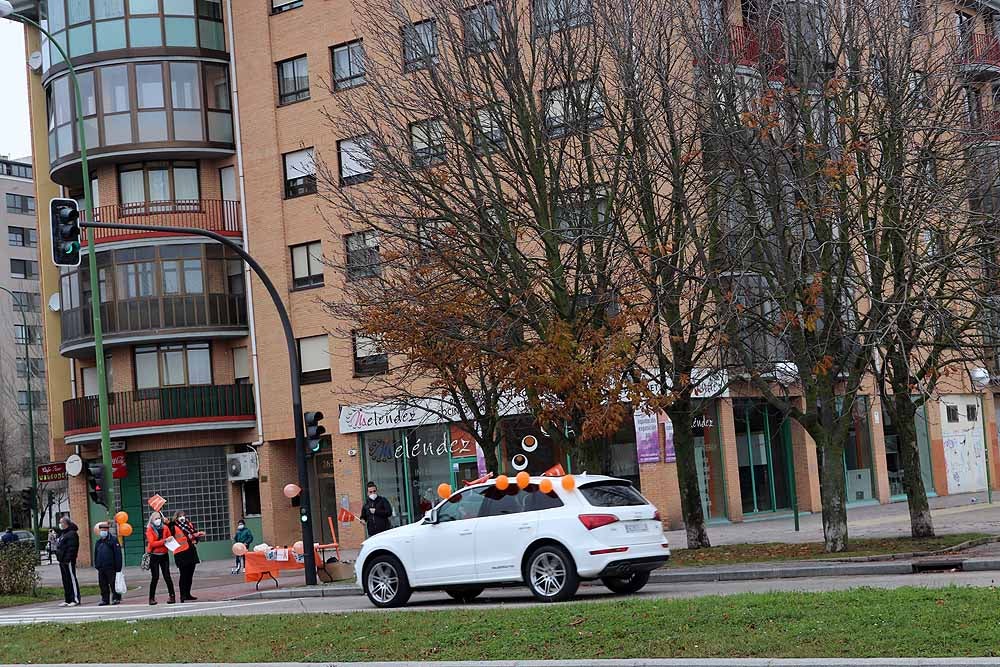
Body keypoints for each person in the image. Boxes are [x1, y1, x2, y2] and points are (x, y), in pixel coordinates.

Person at [171, 510, 205, 602]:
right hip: (180, 552)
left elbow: (193, 534)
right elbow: (175, 537)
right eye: (180, 516)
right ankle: (182, 595)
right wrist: (193, 536)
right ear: (176, 517)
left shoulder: (188, 524)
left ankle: (187, 593)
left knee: (190, 574)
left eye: (184, 516)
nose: (182, 517)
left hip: (190, 550)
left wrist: (197, 537)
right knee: (184, 574)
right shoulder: (173, 526)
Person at [145, 511, 176, 605]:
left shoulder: (165, 527)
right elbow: (152, 543)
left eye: (159, 518)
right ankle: (151, 598)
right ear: (152, 520)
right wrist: (165, 540)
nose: (158, 520)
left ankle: (172, 596)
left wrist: (168, 539)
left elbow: (170, 537)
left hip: (164, 554)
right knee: (155, 577)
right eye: (156, 518)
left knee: (167, 576)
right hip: (154, 555)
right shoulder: (150, 529)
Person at [93, 521, 123, 606]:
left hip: (111, 566)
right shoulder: (98, 542)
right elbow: (96, 554)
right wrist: (97, 564)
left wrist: (118, 567)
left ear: (107, 530)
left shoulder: (113, 540)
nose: (103, 532)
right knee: (103, 584)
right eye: (101, 530)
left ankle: (116, 598)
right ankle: (105, 599)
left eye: (104, 530)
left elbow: (118, 554)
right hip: (101, 567)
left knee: (113, 583)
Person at [54, 516, 80, 607]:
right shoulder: (62, 534)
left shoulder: (72, 534)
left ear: (66, 524)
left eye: (61, 523)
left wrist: (68, 559)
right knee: (65, 580)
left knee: (71, 578)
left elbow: (72, 548)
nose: (60, 524)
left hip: (68, 561)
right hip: (62, 560)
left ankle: (75, 599)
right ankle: (68, 599)